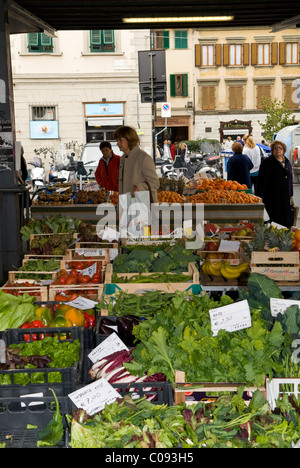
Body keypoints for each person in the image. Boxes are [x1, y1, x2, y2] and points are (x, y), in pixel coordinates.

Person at [115, 125, 160, 202]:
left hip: (142, 207)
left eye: (120, 140)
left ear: (129, 140)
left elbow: (155, 183)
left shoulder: (144, 158)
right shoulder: (122, 159)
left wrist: (139, 187)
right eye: (117, 140)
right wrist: (120, 209)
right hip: (127, 207)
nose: (117, 143)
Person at [256, 140, 294, 228]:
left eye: (280, 148)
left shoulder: (287, 162)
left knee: (285, 219)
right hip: (272, 196)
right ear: (272, 150)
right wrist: (259, 196)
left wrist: (291, 193)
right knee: (274, 219)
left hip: (285, 196)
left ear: (284, 150)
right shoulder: (267, 162)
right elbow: (261, 180)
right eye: (275, 148)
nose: (278, 150)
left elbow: (290, 179)